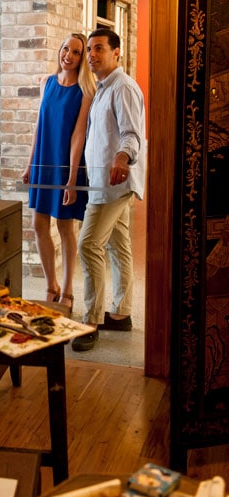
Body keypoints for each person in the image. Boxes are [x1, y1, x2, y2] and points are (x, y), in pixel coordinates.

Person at [71, 27, 146, 352]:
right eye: (89, 49)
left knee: (88, 245)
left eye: (99, 48)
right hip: (103, 181)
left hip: (113, 184)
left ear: (117, 52)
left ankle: (90, 322)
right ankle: (122, 313)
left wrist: (121, 156)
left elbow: (132, 134)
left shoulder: (123, 87)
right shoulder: (102, 88)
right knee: (118, 246)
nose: (91, 55)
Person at [22, 33, 96, 312]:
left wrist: (72, 178)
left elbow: (79, 135)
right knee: (38, 225)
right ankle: (50, 287)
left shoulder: (85, 90)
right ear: (60, 51)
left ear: (81, 59)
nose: (69, 55)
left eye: (76, 52)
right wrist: (31, 164)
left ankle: (67, 291)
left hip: (66, 164)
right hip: (43, 160)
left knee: (66, 228)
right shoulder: (46, 83)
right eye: (66, 49)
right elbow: (39, 126)